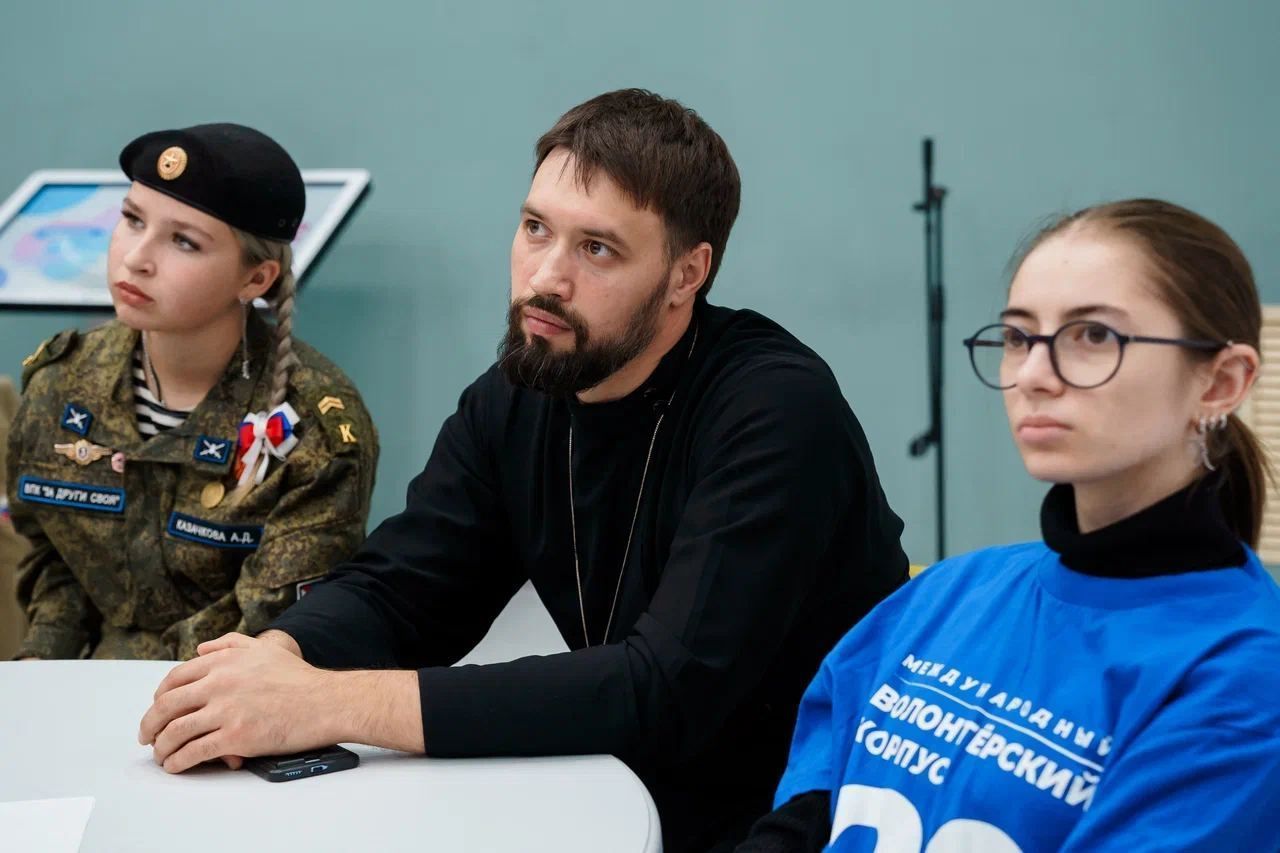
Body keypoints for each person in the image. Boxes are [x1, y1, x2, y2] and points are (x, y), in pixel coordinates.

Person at [136, 89, 909, 853]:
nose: (545, 278)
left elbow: (667, 688)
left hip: (815, 805)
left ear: (686, 274)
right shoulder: (521, 393)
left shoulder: (776, 411)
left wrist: (331, 702)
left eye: (597, 249)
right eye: (536, 228)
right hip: (627, 782)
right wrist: (281, 656)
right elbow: (402, 588)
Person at [737, 199, 1280, 852]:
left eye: (1093, 336)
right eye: (1020, 337)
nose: (1032, 376)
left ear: (1221, 383)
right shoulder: (952, 591)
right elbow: (817, 784)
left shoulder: (1242, 678)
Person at [6, 123, 379, 661]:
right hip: (80, 687)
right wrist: (42, 668)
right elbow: (54, 562)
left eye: (184, 241)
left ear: (256, 280)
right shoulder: (60, 385)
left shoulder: (311, 428)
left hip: (232, 689)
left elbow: (270, 625)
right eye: (133, 219)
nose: (136, 257)